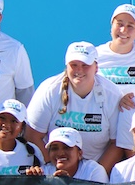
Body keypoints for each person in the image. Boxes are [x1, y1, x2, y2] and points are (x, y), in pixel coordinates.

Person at [25, 42, 123, 171]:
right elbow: (32, 135)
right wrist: (54, 168)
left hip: (94, 171)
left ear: (96, 67)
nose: (79, 70)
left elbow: (116, 143)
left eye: (85, 65)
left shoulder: (112, 94)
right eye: (74, 65)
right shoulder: (49, 90)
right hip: (55, 169)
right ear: (66, 66)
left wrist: (95, 176)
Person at [96, 3, 135, 97]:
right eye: (119, 24)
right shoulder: (96, 54)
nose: (123, 30)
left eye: (130, 26)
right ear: (111, 26)